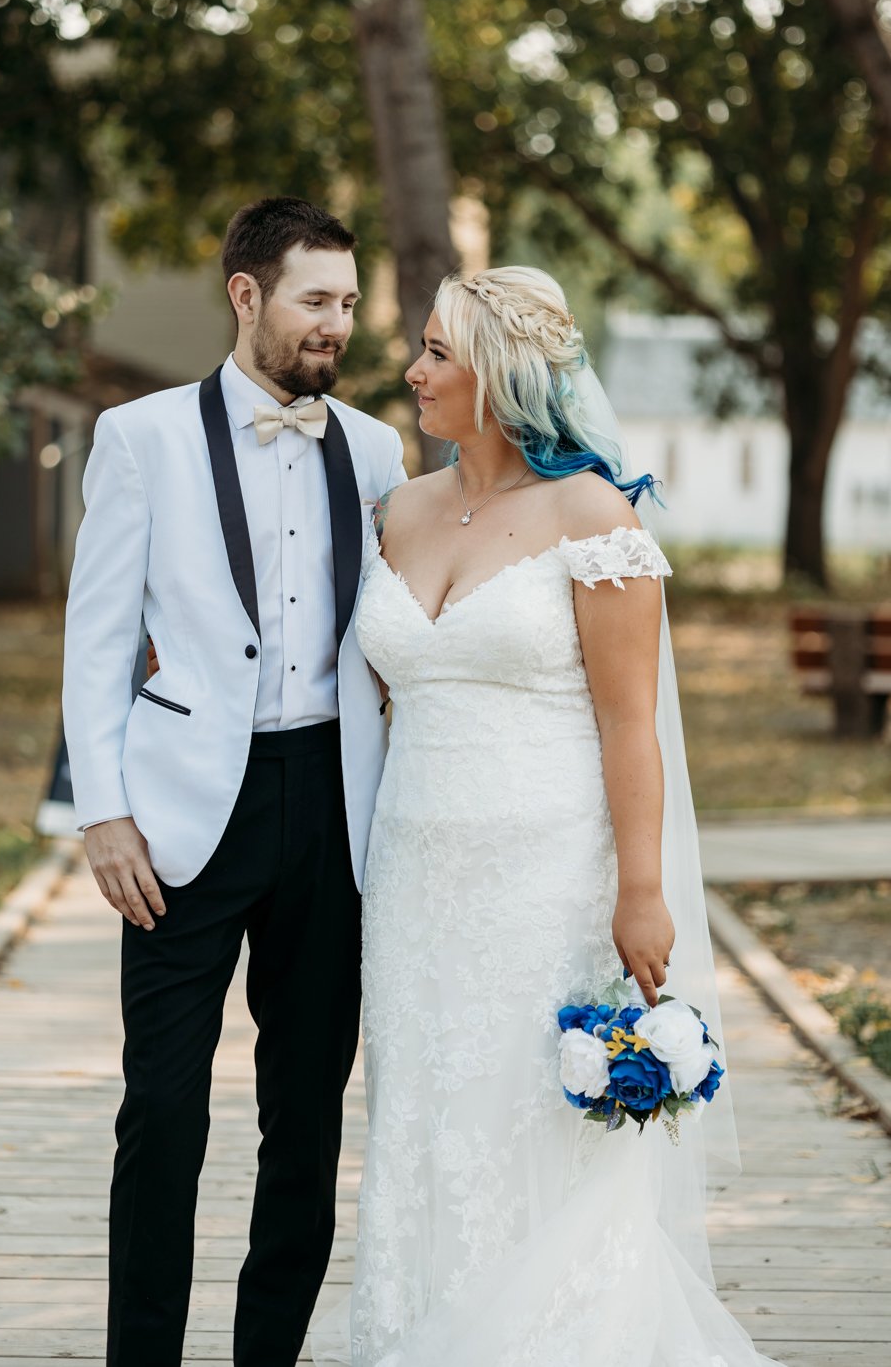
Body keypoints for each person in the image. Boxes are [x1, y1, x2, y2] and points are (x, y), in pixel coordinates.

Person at [312, 266, 780, 1366]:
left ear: (500, 377)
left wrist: (642, 892)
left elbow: (632, 730)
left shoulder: (592, 517)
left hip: (546, 878)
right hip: (415, 882)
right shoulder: (402, 511)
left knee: (530, 1129)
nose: (414, 371)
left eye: (436, 354)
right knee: (426, 1127)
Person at [61, 195, 406, 1367]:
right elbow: (96, 637)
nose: (337, 326)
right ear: (246, 295)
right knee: (161, 1112)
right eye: (316, 301)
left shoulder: (371, 448)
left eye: (349, 304)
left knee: (303, 1122)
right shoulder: (140, 436)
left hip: (331, 807)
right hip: (176, 815)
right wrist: (100, 811)